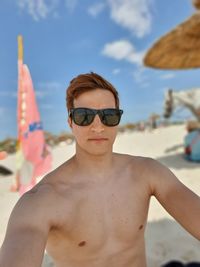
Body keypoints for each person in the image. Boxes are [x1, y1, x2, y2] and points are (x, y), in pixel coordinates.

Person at [0, 72, 200, 267]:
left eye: (109, 116)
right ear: (70, 122)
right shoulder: (41, 202)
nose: (98, 126)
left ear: (117, 121)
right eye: (84, 116)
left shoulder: (147, 172)